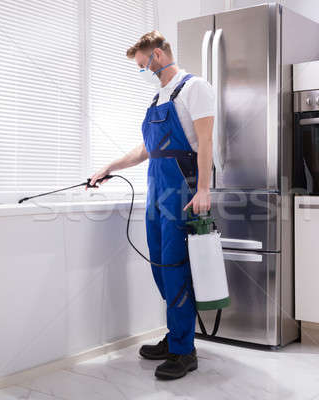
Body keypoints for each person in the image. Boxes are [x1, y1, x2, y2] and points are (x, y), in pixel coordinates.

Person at [89, 30, 215, 380]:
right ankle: (176, 335)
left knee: (176, 267)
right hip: (155, 190)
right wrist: (108, 167)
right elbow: (145, 150)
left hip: (181, 191)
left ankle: (184, 351)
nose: (142, 71)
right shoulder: (158, 97)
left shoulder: (195, 88)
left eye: (142, 65)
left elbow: (205, 142)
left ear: (157, 55)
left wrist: (204, 189)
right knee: (161, 266)